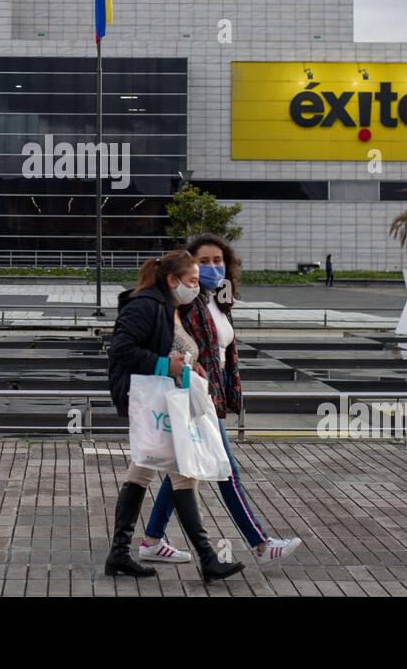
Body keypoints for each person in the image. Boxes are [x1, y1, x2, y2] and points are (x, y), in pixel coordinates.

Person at [139, 233, 302, 569]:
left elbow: (224, 352)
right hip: (193, 394)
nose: (213, 267)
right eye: (205, 262)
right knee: (225, 469)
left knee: (185, 470)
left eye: (219, 260)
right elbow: (170, 340)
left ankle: (152, 540)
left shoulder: (218, 299)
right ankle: (260, 543)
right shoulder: (187, 300)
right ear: (190, 264)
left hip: (211, 395)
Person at [104, 249, 245, 582]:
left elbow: (167, 348)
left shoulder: (170, 306)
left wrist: (187, 364)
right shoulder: (146, 304)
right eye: (192, 280)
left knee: (143, 472)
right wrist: (167, 365)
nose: (196, 287)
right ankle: (208, 558)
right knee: (184, 474)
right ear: (172, 279)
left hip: (165, 399)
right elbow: (121, 349)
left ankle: (119, 554)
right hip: (152, 397)